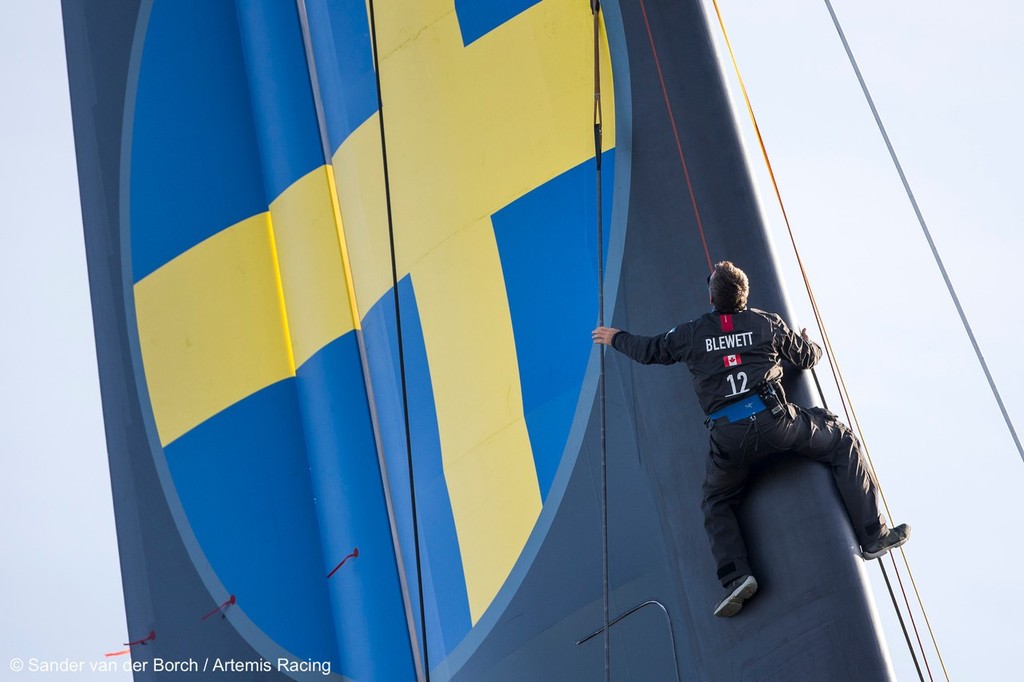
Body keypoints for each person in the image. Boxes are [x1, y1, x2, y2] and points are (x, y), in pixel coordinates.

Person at [592, 260, 909, 618]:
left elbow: (648, 351)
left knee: (716, 502)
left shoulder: (691, 334)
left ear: (711, 296)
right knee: (841, 441)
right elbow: (806, 359)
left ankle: (736, 577)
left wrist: (614, 337)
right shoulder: (765, 322)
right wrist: (809, 344)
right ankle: (872, 535)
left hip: (730, 440)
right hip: (778, 424)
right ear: (744, 295)